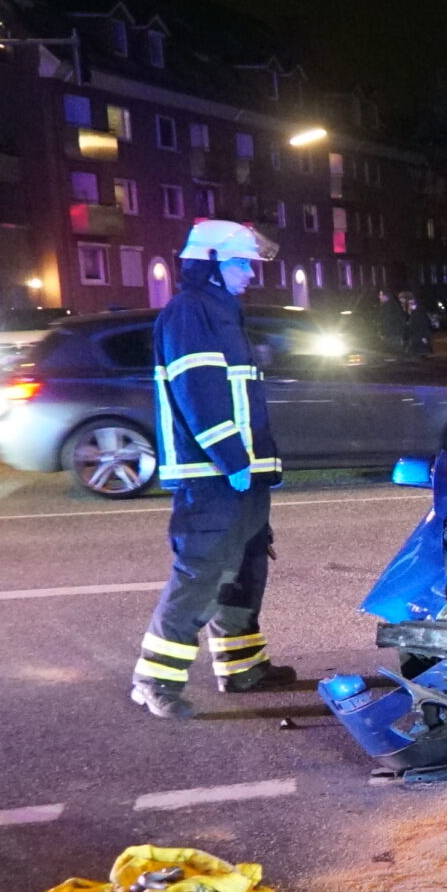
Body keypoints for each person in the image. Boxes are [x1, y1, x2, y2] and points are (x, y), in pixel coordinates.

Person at [130, 220, 295, 717]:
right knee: (201, 574)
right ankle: (154, 680)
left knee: (245, 570)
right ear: (212, 266)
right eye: (242, 263)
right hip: (213, 475)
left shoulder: (222, 312)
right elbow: (199, 393)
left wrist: (257, 465)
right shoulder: (190, 312)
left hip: (242, 473)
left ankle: (242, 667)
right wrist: (231, 458)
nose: (250, 274)